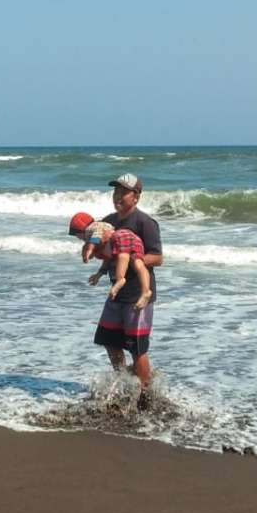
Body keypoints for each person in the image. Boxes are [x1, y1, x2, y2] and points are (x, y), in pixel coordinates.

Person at [76, 173, 163, 406]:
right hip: (115, 292)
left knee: (137, 347)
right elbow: (99, 246)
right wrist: (91, 251)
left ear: (136, 197)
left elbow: (158, 257)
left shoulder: (145, 223)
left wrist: (134, 259)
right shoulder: (108, 221)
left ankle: (145, 395)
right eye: (115, 192)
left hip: (138, 294)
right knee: (109, 339)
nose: (117, 196)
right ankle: (124, 382)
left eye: (123, 192)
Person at [77, 221, 153, 310]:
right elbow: (107, 261)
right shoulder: (104, 249)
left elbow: (95, 237)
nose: (91, 257)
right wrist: (98, 274)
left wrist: (89, 249)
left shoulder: (92, 231)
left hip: (121, 236)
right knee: (138, 265)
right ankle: (146, 291)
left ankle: (120, 280)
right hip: (133, 240)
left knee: (123, 256)